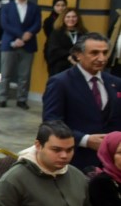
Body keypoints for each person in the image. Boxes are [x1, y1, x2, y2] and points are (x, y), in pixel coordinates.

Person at [41, 33, 121, 172]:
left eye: (105, 53)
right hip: (76, 162)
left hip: (111, 164)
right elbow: (51, 122)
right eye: (95, 53)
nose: (101, 58)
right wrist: (85, 140)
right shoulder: (60, 83)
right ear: (78, 54)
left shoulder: (115, 82)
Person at [0, 0, 41, 110]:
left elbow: (37, 24)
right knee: (5, 74)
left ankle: (22, 99)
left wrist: (29, 34)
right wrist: (21, 35)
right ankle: (2, 98)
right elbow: (5, 24)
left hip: (28, 44)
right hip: (9, 44)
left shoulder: (34, 8)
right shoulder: (6, 7)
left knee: (24, 75)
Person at [44, 7, 83, 79]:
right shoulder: (56, 33)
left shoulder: (83, 33)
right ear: (63, 18)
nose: (71, 19)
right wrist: (69, 57)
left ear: (78, 18)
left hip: (79, 66)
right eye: (68, 17)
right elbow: (54, 50)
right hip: (60, 67)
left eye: (74, 17)